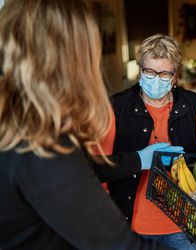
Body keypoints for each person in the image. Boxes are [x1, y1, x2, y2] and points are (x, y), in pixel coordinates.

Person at [0, 0, 181, 249]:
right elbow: (119, 245)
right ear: (72, 58)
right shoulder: (41, 144)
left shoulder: (15, 120)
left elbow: (79, 172)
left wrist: (141, 158)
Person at [101, 34, 196, 250]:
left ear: (175, 76)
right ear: (140, 70)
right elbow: (103, 167)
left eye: (164, 73)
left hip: (182, 224)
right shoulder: (117, 107)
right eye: (150, 71)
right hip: (133, 225)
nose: (156, 79)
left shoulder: (191, 106)